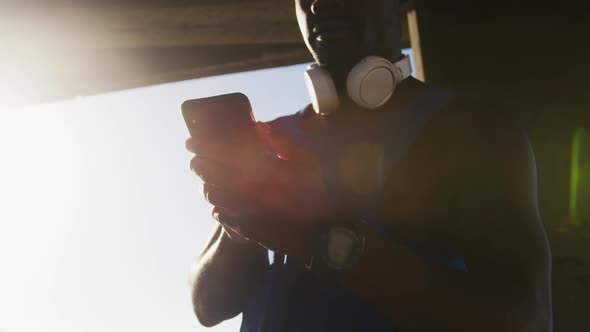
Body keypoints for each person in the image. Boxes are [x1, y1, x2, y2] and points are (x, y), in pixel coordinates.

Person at [186, 0, 553, 331]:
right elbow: (209, 307)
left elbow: (525, 321)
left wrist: (322, 236)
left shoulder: (471, 132)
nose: (319, 5)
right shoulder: (271, 135)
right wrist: (237, 228)